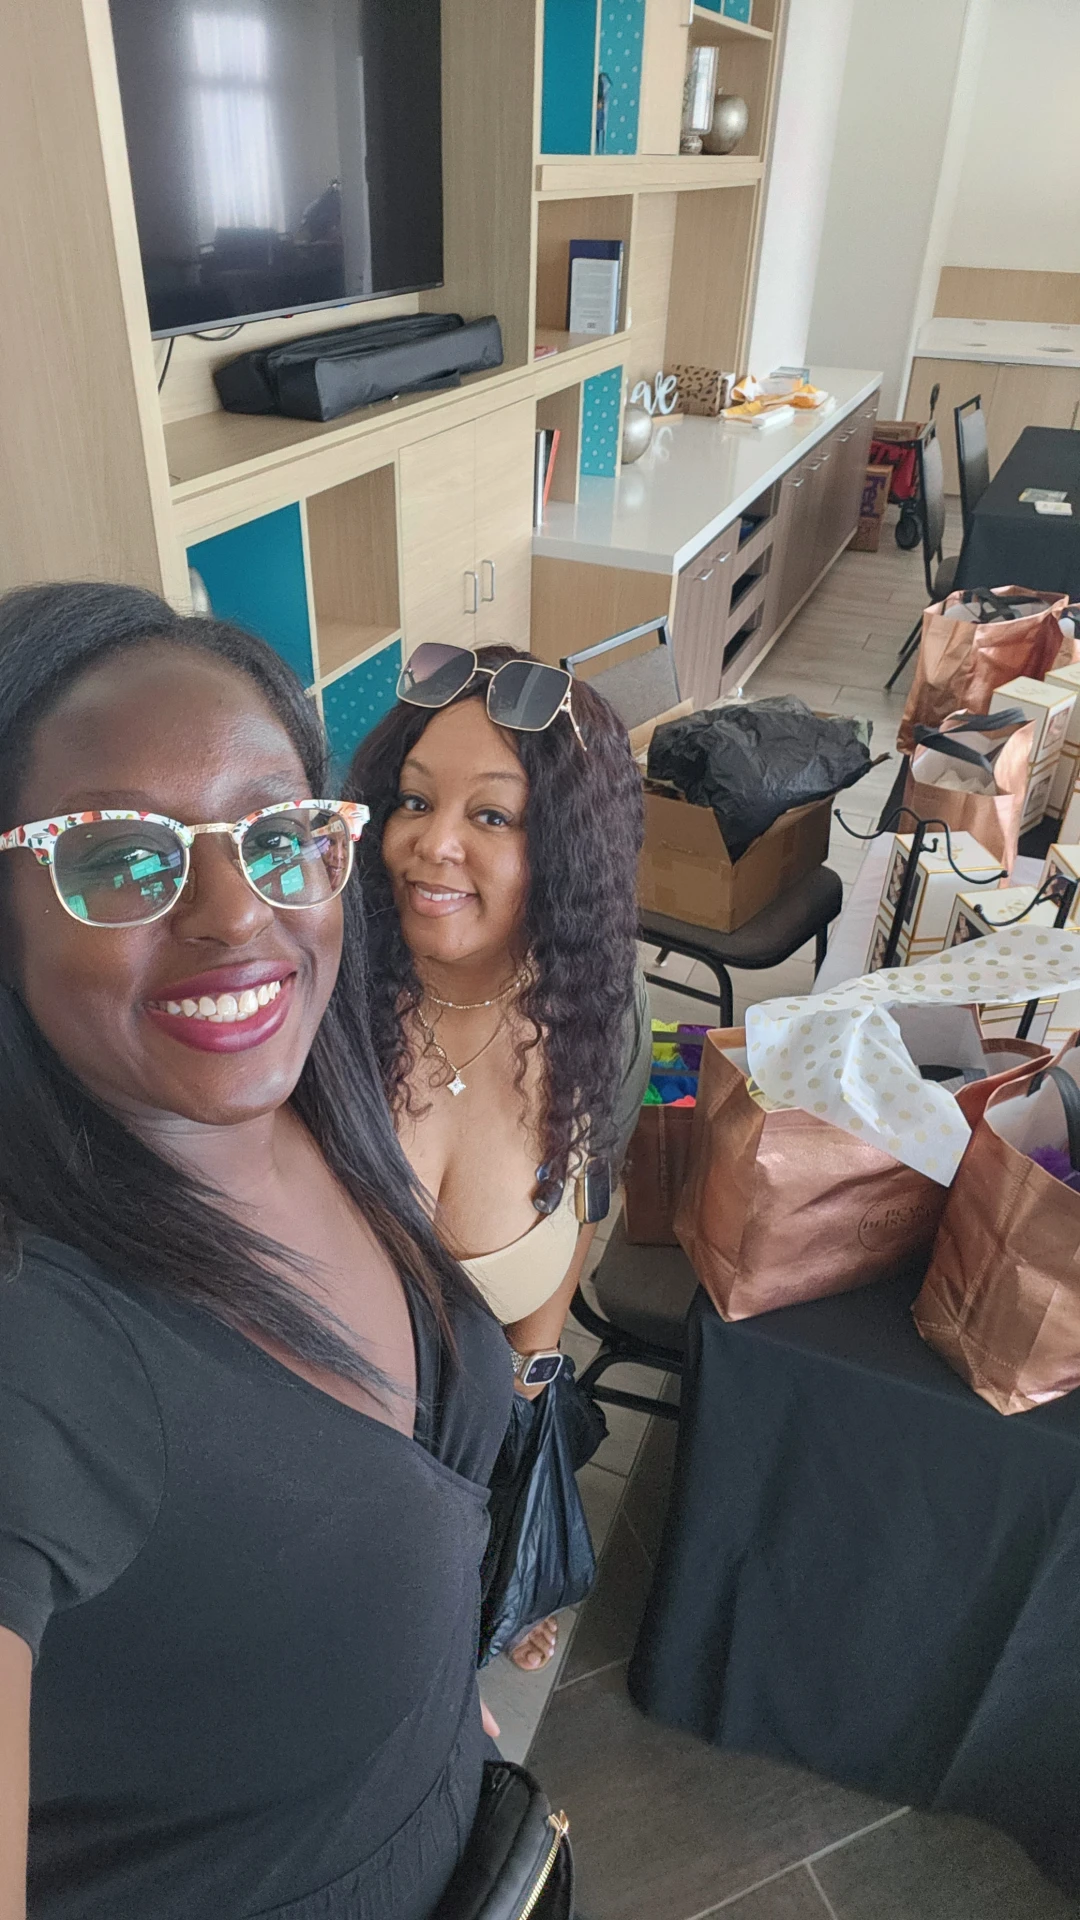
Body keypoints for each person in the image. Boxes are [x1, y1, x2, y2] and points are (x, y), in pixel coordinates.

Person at [0, 583, 512, 1920]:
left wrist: (436, 1686)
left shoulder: (324, 1098)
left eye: (278, 835)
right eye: (120, 858)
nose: (235, 913)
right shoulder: (37, 1348)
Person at [348, 643, 650, 1672]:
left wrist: (531, 1377)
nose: (430, 845)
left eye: (491, 815)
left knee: (474, 1602)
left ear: (566, 849)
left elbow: (587, 1199)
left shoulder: (601, 1015)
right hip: (321, 1453)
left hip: (474, 1435)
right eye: (412, 801)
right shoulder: (322, 998)